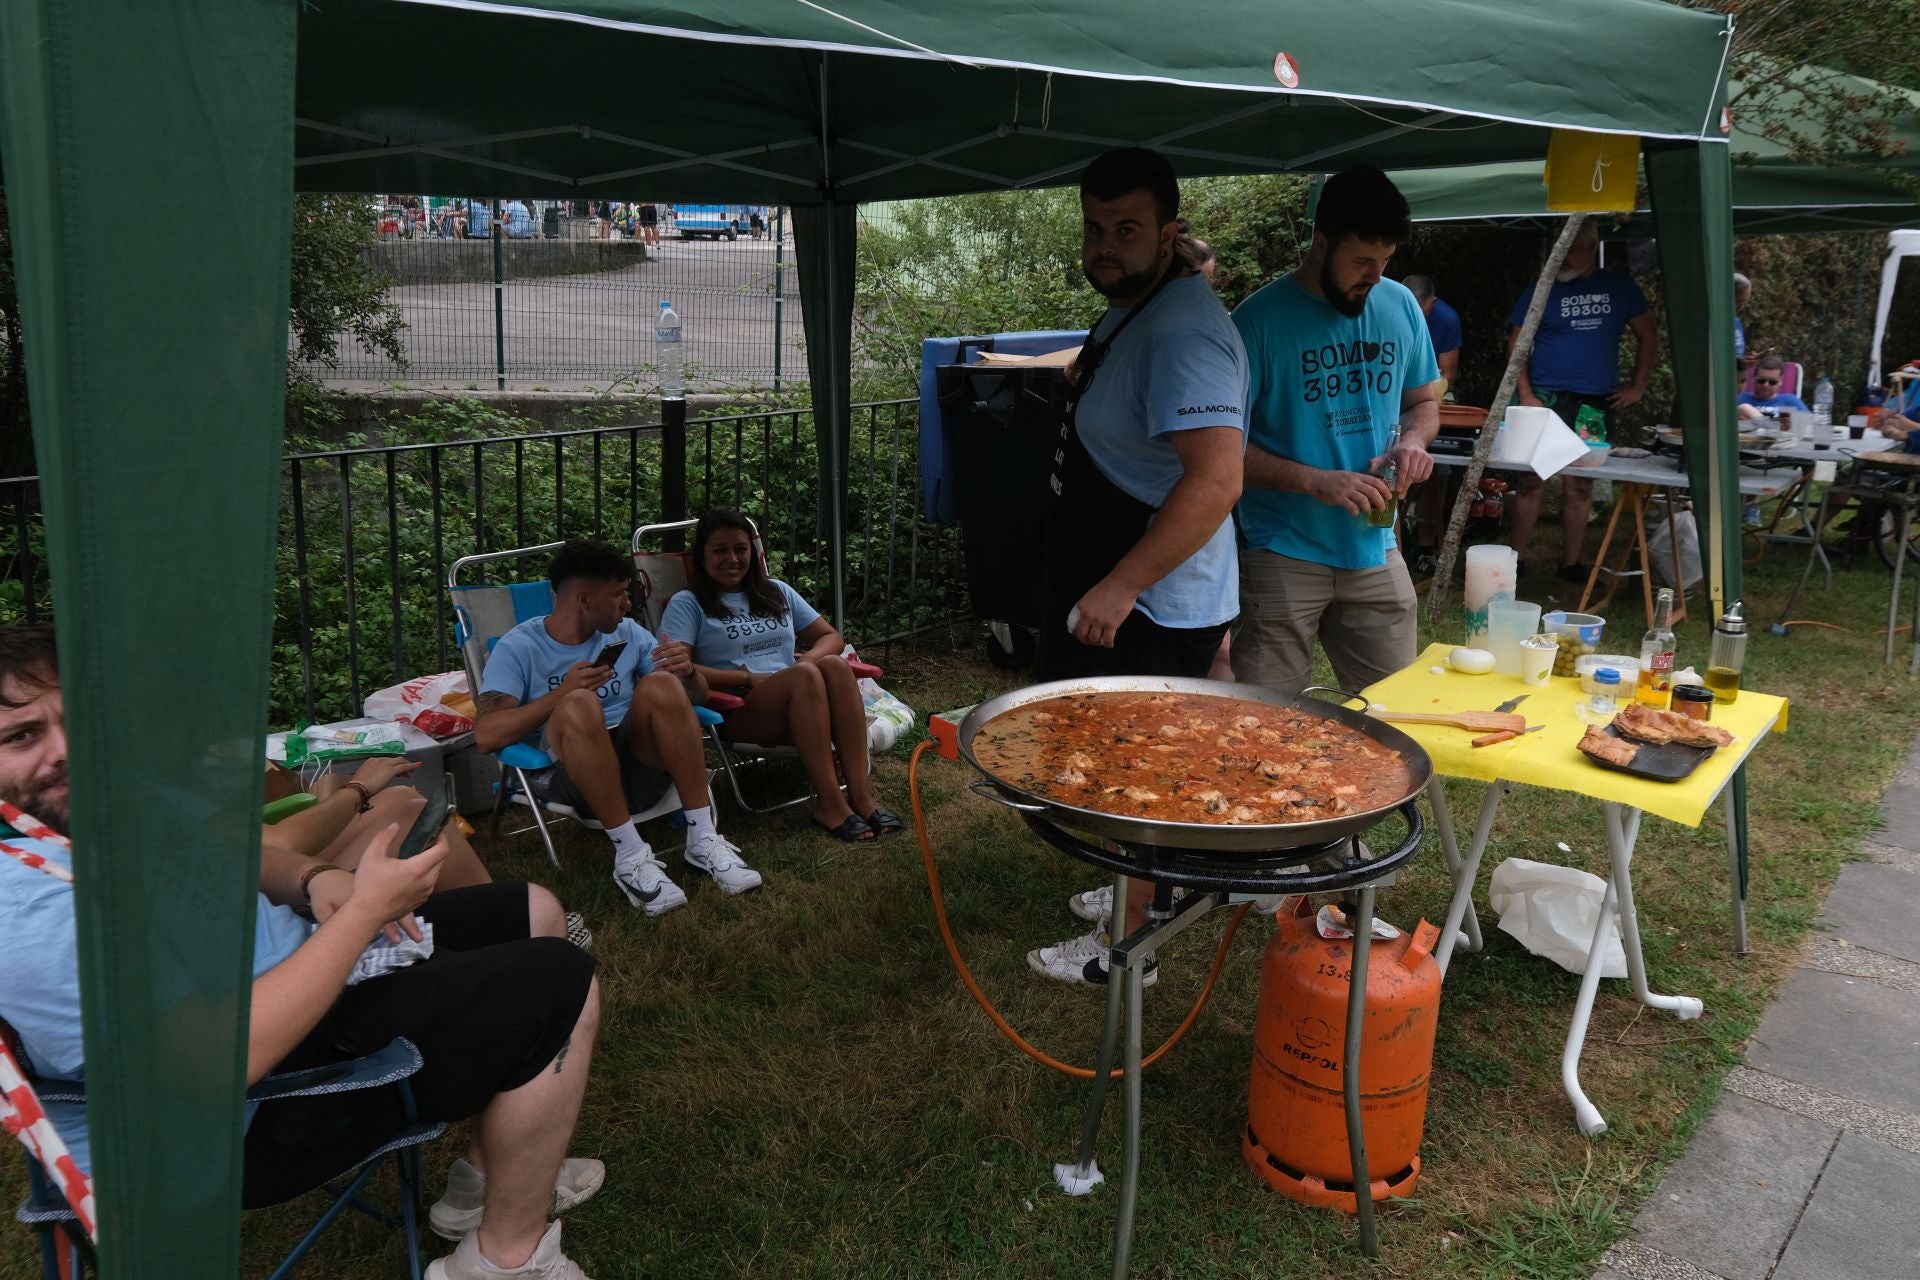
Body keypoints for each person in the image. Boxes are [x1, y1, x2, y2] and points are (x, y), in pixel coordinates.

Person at [0, 624, 606, 1280]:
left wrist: (313, 880)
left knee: (533, 912)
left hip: (308, 979)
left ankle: (485, 1183)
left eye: (77, 720)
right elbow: (223, 1063)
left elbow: (233, 854)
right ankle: (503, 1262)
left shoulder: (100, 808)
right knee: (560, 984)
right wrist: (365, 914)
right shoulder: (25, 911)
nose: (66, 751)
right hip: (248, 1117)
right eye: (22, 735)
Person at [1027, 146, 1248, 989]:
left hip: (1152, 600)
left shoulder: (1186, 331)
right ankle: (1144, 884)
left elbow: (1217, 478)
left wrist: (1121, 585)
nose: (1105, 247)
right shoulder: (1141, 302)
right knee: (1117, 760)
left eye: (1126, 229)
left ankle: (1130, 950)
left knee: (1132, 771)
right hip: (1120, 577)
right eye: (1094, 228)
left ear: (1169, 232)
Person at [1230, 165, 1439, 695]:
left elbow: (1423, 404)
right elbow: (1223, 450)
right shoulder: (1255, 322)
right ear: (1321, 244)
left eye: (1386, 261)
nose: (1375, 276)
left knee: (1399, 720)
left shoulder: (1399, 306)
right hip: (1282, 548)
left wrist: (1414, 441)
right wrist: (1315, 481)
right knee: (1266, 724)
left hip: (1375, 543)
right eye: (1363, 261)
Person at [474, 539, 762, 914]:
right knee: (578, 702)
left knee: (662, 683)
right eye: (619, 594)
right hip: (573, 773)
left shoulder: (627, 633)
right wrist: (561, 694)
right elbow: (487, 736)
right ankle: (629, 856)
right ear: (584, 600)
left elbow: (697, 698)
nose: (628, 603)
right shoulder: (518, 648)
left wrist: (687, 672)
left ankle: (703, 838)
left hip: (638, 761)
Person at [659, 508, 901, 843]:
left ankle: (861, 796)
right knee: (806, 674)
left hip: (805, 696)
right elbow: (679, 669)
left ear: (752, 552)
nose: (732, 558)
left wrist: (807, 663)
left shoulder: (776, 591)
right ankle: (830, 804)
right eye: (720, 550)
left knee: (832, 664)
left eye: (740, 549)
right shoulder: (688, 604)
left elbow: (832, 638)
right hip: (742, 709)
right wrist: (746, 680)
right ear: (702, 556)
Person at [1505, 221, 1657, 582]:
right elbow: (1515, 342)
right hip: (1545, 398)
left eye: (1571, 249)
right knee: (1529, 479)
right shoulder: (1540, 290)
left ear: (1591, 247)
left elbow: (1648, 335)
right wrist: (1526, 394)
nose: (1562, 259)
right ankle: (1516, 561)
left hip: (1594, 402)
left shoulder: (1619, 288)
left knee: (1581, 482)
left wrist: (1637, 387)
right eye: (1559, 249)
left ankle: (1570, 565)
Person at [264, 755, 493, 891]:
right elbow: (279, 846)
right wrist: (359, 788)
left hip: (268, 861)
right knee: (411, 817)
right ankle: (500, 924)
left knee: (401, 798)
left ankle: (493, 915)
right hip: (269, 892)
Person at [1403, 274, 1461, 391]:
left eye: (1421, 315)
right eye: (1410, 314)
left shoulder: (1448, 319)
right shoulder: (1387, 313)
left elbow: (1447, 375)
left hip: (1428, 388)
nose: (1416, 322)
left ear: (1433, 302)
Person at [1736, 354, 1808, 422]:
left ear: (1780, 381)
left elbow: (1808, 424)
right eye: (1761, 380)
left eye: (1772, 382)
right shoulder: (1739, 399)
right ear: (1753, 378)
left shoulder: (1790, 401)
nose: (1766, 385)